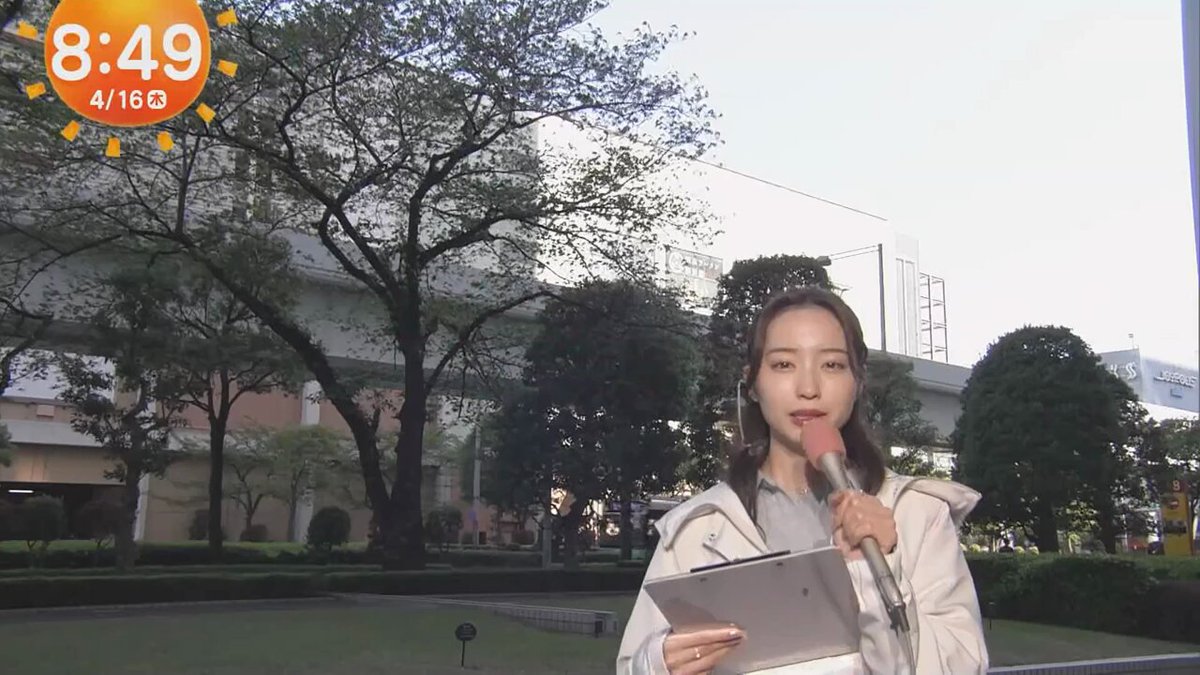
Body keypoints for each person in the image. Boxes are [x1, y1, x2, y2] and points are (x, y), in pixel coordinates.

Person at [616, 286, 988, 674]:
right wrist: (656, 664)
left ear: (858, 382)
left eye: (832, 365)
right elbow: (632, 664)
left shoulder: (918, 513)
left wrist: (880, 568)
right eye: (783, 364)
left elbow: (962, 665)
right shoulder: (696, 527)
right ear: (753, 383)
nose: (808, 388)